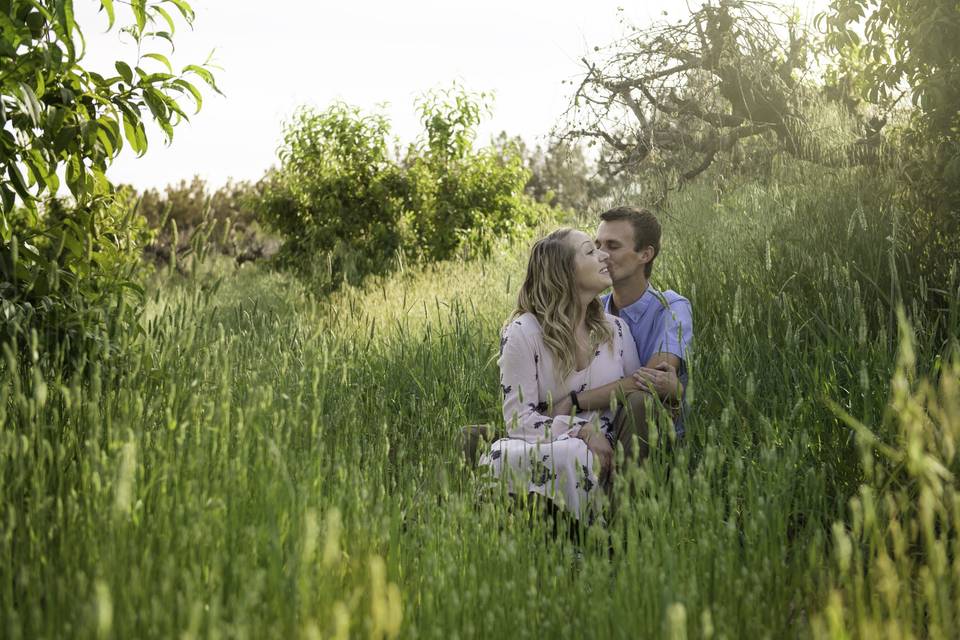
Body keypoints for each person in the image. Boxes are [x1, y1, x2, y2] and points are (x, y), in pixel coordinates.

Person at [478, 228, 647, 519]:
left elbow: (633, 392)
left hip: (608, 451)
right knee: (570, 454)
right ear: (564, 272)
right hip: (549, 444)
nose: (603, 255)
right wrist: (582, 431)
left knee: (582, 452)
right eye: (590, 251)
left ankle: (619, 522)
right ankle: (569, 533)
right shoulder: (523, 333)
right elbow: (519, 422)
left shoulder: (615, 330)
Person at [592, 206, 693, 443]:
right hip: (593, 426)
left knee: (639, 402)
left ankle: (628, 480)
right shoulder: (592, 309)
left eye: (613, 246)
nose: (601, 254)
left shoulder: (671, 307)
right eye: (597, 246)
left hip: (650, 438)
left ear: (645, 255)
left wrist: (575, 401)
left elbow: (648, 383)